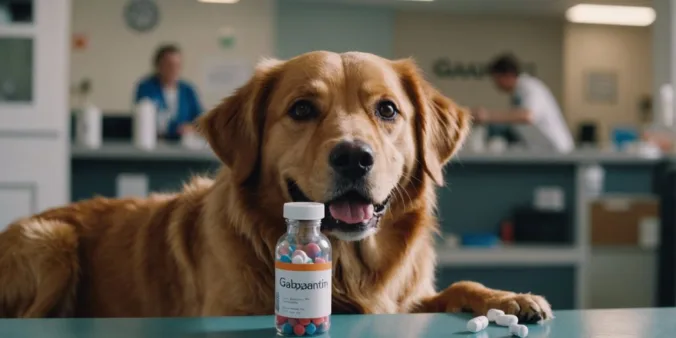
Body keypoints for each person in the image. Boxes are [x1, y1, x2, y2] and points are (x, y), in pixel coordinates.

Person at [472, 54, 574, 152]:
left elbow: (527, 116)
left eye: (496, 78)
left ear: (507, 75)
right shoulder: (517, 93)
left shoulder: (530, 87)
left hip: (557, 150)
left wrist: (487, 116)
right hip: (542, 151)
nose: (495, 84)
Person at [134, 44, 203, 139]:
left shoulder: (188, 90)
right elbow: (145, 117)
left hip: (184, 143)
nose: (174, 69)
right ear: (158, 66)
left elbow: (200, 119)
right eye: (169, 65)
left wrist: (191, 128)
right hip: (156, 142)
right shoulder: (146, 88)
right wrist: (174, 129)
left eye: (178, 65)